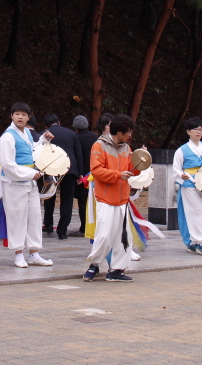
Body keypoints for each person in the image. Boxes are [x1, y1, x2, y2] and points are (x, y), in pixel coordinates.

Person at [0, 102, 54, 268]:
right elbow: (7, 164)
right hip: (15, 182)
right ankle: (18, 254)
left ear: (29, 117)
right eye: (17, 114)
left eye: (23, 114)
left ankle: (34, 253)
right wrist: (30, 174)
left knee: (34, 217)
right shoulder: (7, 137)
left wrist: (43, 140)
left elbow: (32, 151)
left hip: (29, 181)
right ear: (11, 116)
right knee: (17, 218)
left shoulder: (27, 134)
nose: (20, 117)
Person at [83, 114, 136, 282]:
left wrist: (141, 162)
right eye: (127, 132)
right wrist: (118, 175)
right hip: (105, 198)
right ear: (119, 132)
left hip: (122, 199)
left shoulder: (127, 148)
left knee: (124, 236)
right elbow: (96, 171)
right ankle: (94, 264)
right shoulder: (99, 146)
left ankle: (117, 270)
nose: (129, 135)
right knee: (104, 234)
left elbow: (133, 170)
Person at [172, 117, 202, 256]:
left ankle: (194, 242)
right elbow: (176, 169)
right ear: (188, 131)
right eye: (195, 129)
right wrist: (181, 176)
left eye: (200, 129)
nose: (198, 132)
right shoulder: (182, 150)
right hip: (189, 185)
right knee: (198, 211)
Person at [41, 113, 82, 239]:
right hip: (69, 169)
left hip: (51, 169)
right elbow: (78, 153)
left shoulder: (44, 134)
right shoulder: (71, 133)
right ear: (58, 122)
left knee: (49, 196)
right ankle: (62, 230)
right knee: (67, 199)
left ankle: (48, 224)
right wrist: (79, 172)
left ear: (46, 126)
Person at [72, 115, 98, 237]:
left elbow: (77, 157)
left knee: (83, 202)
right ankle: (94, 225)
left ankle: (84, 227)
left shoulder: (76, 138)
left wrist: (79, 174)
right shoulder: (95, 137)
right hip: (95, 173)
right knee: (93, 201)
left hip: (83, 174)